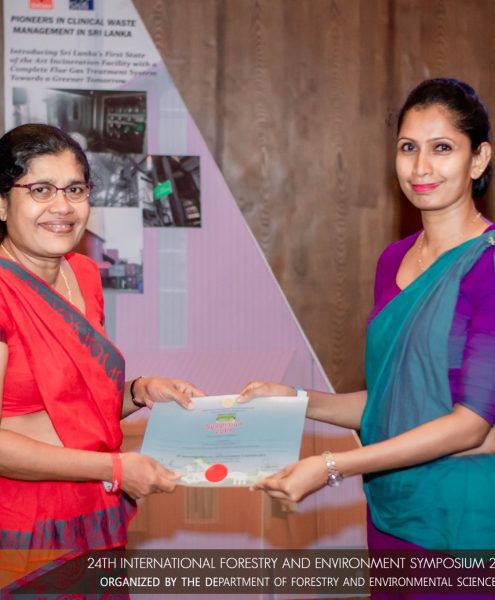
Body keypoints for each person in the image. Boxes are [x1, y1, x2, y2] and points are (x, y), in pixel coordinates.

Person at [239, 79, 495, 565]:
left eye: (442, 148)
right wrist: (294, 401)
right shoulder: (392, 260)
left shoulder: (489, 266)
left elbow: (469, 426)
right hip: (390, 512)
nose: (421, 167)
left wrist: (332, 465)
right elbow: (389, 405)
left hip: (463, 520)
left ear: (478, 159)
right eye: (408, 148)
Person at [0, 123, 203, 554]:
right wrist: (113, 469)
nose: (62, 206)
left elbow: (80, 408)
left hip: (92, 514)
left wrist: (140, 391)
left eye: (75, 190)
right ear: (2, 204)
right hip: (21, 528)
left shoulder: (85, 274)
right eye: (40, 190)